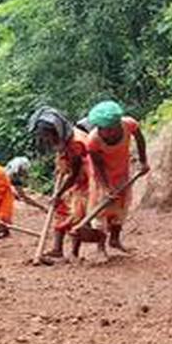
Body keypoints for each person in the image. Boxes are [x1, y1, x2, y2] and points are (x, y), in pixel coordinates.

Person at [29, 106, 106, 261]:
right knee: (61, 210)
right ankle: (57, 249)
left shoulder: (76, 143)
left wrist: (59, 192)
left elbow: (75, 173)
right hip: (74, 180)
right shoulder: (63, 139)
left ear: (56, 131)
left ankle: (78, 251)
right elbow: (66, 165)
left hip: (86, 181)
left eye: (47, 135)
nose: (45, 139)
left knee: (77, 216)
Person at [85, 100, 150, 253]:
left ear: (116, 125)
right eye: (100, 128)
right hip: (102, 178)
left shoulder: (129, 125)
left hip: (122, 173)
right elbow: (98, 167)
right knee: (100, 211)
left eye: (107, 129)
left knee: (121, 207)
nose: (103, 132)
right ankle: (100, 248)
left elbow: (140, 139)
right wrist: (106, 188)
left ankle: (115, 240)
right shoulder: (93, 141)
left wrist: (143, 161)